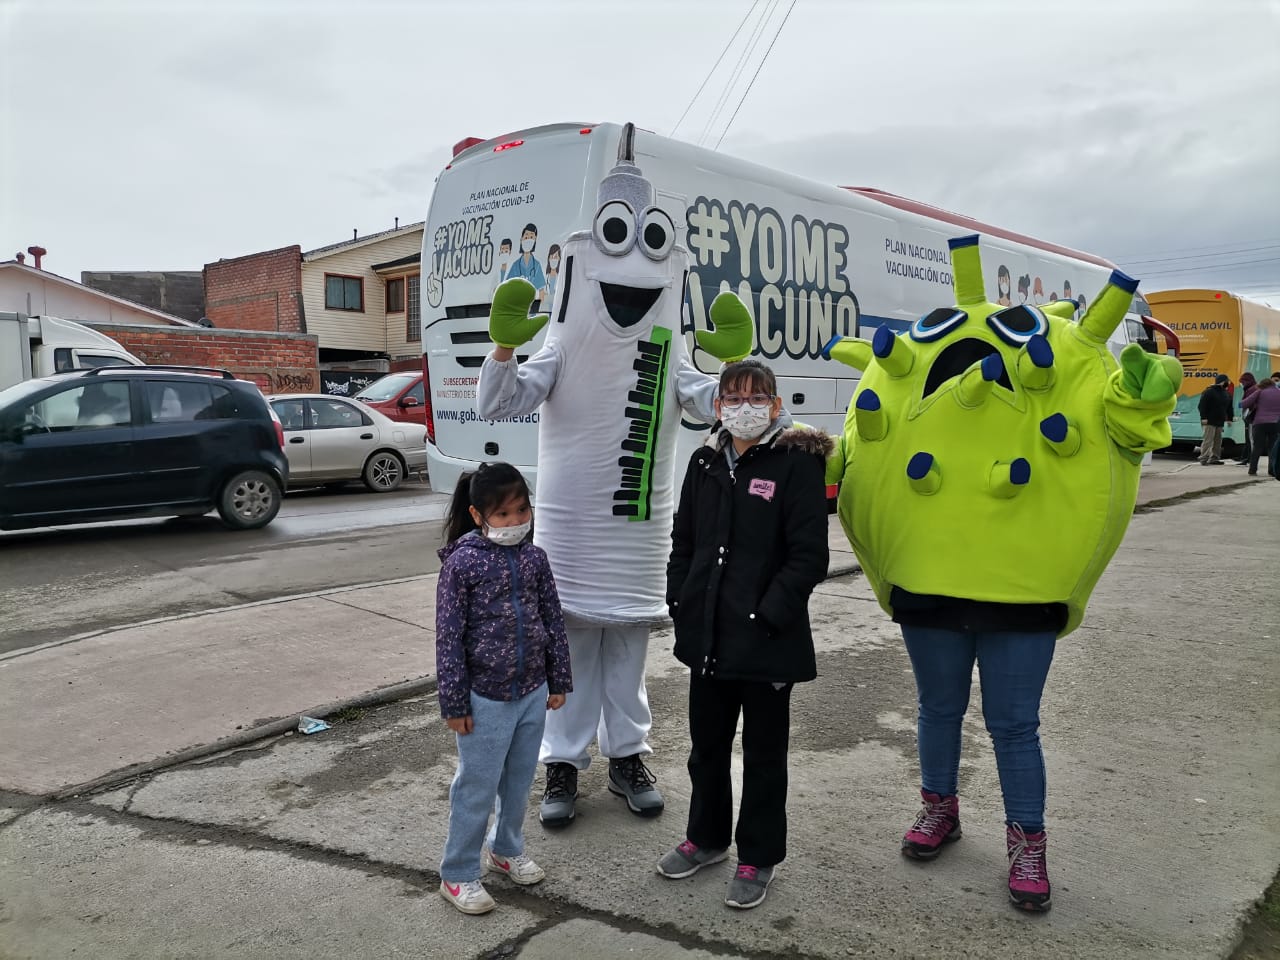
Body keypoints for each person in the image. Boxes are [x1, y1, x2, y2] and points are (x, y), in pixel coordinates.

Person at [821, 236, 1180, 913]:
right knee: (939, 709)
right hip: (929, 585)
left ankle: (1028, 842)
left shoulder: (1071, 376)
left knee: (1014, 724)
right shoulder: (907, 379)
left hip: (1023, 591)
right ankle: (940, 810)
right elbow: (864, 457)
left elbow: (1128, 432)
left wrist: (1140, 400)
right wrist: (820, 459)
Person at [475, 125, 754, 830]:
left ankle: (628, 754)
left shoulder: (669, 337)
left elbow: (702, 397)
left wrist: (736, 379)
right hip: (570, 524)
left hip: (637, 523)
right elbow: (502, 399)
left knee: (627, 648)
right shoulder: (565, 333)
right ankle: (563, 764)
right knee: (562, 648)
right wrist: (506, 344)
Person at [658, 359, 831, 910]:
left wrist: (766, 615)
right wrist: (679, 596)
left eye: (757, 397)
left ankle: (759, 856)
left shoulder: (796, 464)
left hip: (767, 643)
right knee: (706, 749)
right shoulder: (704, 461)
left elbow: (808, 558)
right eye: (733, 397)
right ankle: (706, 840)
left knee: (763, 756)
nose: (744, 406)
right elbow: (683, 539)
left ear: (776, 405)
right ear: (718, 406)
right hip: (706, 636)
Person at [435, 462, 573, 915]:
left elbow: (552, 618)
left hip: (532, 692)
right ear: (478, 515)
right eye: (503, 514)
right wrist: (455, 703)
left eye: (522, 510)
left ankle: (506, 848)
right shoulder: (462, 562)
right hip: (484, 700)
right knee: (475, 787)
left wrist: (558, 679)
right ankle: (457, 873)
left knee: (518, 781)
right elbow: (448, 637)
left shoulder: (536, 557)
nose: (516, 522)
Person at [1242, 377, 1280, 478]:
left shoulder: (1260, 392)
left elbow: (1244, 403)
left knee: (1257, 447)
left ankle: (1252, 470)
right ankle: (1272, 471)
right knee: (1272, 447)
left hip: (1259, 424)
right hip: (1275, 424)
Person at [1197, 374, 1233, 465]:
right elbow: (1202, 406)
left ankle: (1214, 458)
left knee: (1218, 441)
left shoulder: (1226, 393)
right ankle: (1204, 458)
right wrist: (1203, 417)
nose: (1228, 383)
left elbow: (1229, 407)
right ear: (1222, 381)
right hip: (1209, 420)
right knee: (1208, 439)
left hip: (1220, 421)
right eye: (1227, 381)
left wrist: (1230, 418)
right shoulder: (1209, 392)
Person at [1235, 372, 1258, 464]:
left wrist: (1240, 405)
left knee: (1250, 439)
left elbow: (1248, 403)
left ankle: (1249, 459)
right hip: (1251, 417)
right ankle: (1246, 457)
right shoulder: (1252, 388)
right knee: (1249, 439)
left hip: (1251, 417)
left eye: (1242, 382)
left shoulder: (1251, 390)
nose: (1241, 384)